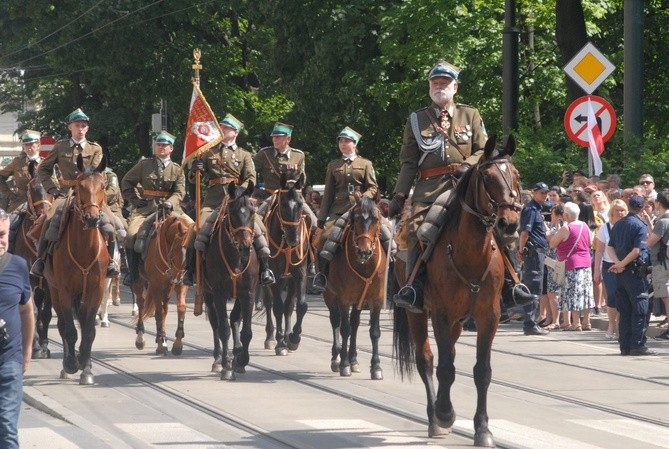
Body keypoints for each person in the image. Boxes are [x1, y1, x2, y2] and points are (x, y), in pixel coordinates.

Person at [388, 60, 487, 312]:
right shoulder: (417, 119)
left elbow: (483, 150)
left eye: (444, 82)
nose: (439, 86)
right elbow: (409, 162)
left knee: (496, 227)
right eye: (435, 82)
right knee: (415, 231)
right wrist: (400, 195)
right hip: (429, 190)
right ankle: (414, 288)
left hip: (465, 187)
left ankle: (510, 285)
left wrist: (469, 165)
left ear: (455, 87)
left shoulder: (470, 114)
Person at [30, 109, 120, 278]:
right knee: (49, 220)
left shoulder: (95, 148)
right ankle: (40, 260)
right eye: (77, 125)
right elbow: (44, 169)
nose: (80, 129)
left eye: (83, 126)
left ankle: (110, 262)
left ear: (87, 129)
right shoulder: (60, 146)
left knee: (110, 222)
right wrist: (52, 189)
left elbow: (94, 172)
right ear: (69, 127)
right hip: (65, 193)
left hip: (88, 194)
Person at [188, 114, 274, 286]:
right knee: (196, 231)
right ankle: (190, 270)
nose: (222, 130)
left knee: (261, 230)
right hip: (213, 203)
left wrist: (238, 194)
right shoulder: (208, 151)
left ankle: (265, 269)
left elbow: (251, 178)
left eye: (226, 128)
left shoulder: (244, 154)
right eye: (221, 127)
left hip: (238, 203)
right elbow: (194, 179)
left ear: (235, 132)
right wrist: (195, 169)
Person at [312, 127, 379, 292]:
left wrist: (363, 198)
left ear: (355, 144)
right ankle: (321, 275)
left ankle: (385, 271)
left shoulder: (366, 164)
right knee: (325, 237)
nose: (343, 144)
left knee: (385, 233)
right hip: (339, 211)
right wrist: (321, 220)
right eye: (341, 141)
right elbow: (328, 193)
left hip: (362, 210)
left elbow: (373, 187)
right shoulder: (333, 165)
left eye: (347, 141)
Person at [121, 131, 191, 286]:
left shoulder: (177, 169)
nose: (161, 147)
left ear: (171, 148)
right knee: (132, 235)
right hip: (147, 209)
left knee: (193, 231)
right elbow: (126, 182)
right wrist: (135, 200)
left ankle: (190, 272)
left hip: (172, 210)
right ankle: (132, 274)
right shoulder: (144, 165)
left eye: (164, 145)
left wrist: (171, 202)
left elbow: (180, 192)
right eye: (159, 144)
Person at [253, 122, 317, 275]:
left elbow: (302, 178)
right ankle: (260, 263)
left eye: (278, 137)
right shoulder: (264, 154)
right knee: (256, 221)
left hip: (291, 197)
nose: (274, 139)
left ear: (288, 139)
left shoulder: (298, 155)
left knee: (314, 223)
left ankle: (312, 262)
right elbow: (250, 172)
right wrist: (255, 190)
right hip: (270, 196)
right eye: (274, 137)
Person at [0, 208, 35, 449]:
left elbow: (26, 310)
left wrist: (27, 350)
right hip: (23, 200)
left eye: (3, 234)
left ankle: (117, 266)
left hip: (9, 360)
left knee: (7, 430)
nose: (0, 241)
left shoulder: (18, 265)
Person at [607, 194, 657, 356]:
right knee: (640, 308)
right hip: (635, 273)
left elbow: (610, 247)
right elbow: (636, 251)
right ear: (642, 209)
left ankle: (625, 345)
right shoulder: (639, 225)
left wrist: (617, 264)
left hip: (621, 273)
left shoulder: (618, 224)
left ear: (628, 207)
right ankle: (637, 344)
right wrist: (621, 264)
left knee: (625, 309)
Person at [550, 202, 594, 331]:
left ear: (566, 215)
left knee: (572, 292)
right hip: (586, 262)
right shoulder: (585, 226)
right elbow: (590, 243)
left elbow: (552, 243)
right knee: (586, 292)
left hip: (571, 263)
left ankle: (576, 323)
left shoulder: (566, 228)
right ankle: (586, 321)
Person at [516, 182, 551, 335]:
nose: (545, 195)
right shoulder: (530, 209)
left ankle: (532, 322)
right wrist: (521, 250)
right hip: (534, 252)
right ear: (534, 193)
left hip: (538, 251)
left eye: (546, 193)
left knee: (536, 286)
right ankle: (530, 323)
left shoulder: (536, 208)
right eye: (542, 193)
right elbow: (525, 233)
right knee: (534, 286)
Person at [594, 199, 627, 339]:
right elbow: (599, 251)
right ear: (611, 213)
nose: (620, 213)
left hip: (625, 265)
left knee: (623, 296)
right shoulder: (605, 228)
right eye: (617, 211)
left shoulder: (628, 226)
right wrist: (596, 270)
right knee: (612, 296)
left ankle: (621, 326)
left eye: (622, 210)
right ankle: (611, 325)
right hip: (609, 266)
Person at [0, 130, 43, 213]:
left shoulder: (45, 163)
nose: (28, 147)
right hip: (21, 202)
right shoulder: (17, 162)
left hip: (42, 202)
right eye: (26, 145)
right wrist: (9, 194)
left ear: (38, 145)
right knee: (9, 224)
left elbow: (56, 183)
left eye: (31, 144)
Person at [645, 190, 669, 341]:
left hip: (662, 264)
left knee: (666, 297)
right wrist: (649, 223)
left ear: (658, 203)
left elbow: (650, 242)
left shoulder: (662, 221)